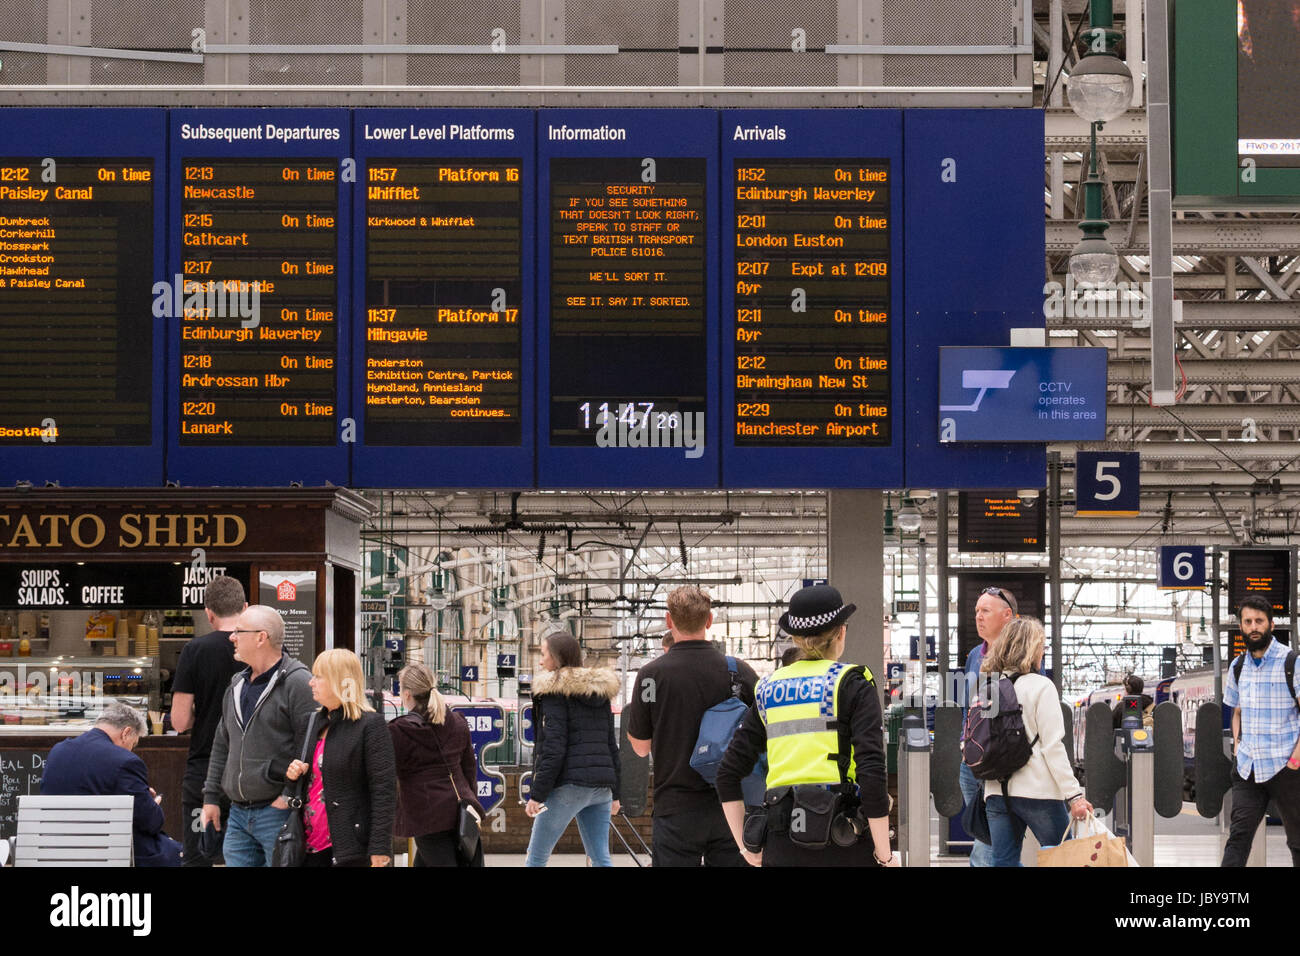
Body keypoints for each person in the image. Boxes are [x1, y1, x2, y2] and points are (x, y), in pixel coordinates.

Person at [717, 583, 896, 867]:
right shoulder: (852, 683)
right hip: (843, 842)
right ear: (841, 631)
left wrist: (746, 848)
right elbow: (871, 770)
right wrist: (884, 855)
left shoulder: (768, 689)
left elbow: (727, 774)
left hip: (781, 843)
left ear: (795, 636)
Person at [624, 585, 758, 866]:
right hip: (731, 806)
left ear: (669, 621)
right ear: (709, 620)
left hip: (675, 806)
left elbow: (639, 747)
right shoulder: (739, 672)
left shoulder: (650, 675)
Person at [199, 604, 316, 867]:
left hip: (276, 814)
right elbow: (221, 745)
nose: (232, 637)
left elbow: (310, 745)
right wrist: (211, 798)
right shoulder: (237, 685)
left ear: (261, 637)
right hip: (238, 814)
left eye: (239, 631)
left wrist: (287, 795)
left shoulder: (298, 682)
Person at [979, 617, 1093, 867]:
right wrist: (1074, 796)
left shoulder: (989, 687)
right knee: (1063, 859)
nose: (1043, 651)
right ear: (1032, 648)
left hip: (997, 792)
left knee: (1004, 863)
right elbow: (1053, 747)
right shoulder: (1042, 687)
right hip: (1038, 792)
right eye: (1042, 645)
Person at [284, 649, 395, 867]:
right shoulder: (310, 723)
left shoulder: (370, 725)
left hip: (350, 847)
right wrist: (293, 774)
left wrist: (380, 846)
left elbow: (384, 791)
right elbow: (300, 786)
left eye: (318, 677)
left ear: (339, 681)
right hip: (307, 845)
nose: (311, 683)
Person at [41, 701, 183, 867]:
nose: (131, 749)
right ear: (126, 732)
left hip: (55, 847)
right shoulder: (125, 761)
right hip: (106, 851)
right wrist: (152, 803)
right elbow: (150, 823)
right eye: (134, 743)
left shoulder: (58, 750)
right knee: (187, 854)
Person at [524, 628, 621, 867]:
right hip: (602, 788)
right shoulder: (600, 693)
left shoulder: (554, 692)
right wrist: (616, 793)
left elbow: (554, 748)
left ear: (557, 658)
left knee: (536, 857)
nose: (540, 660)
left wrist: (537, 794)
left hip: (569, 786)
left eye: (544, 654)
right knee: (600, 857)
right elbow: (611, 745)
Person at [170, 573, 246, 866]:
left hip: (203, 769)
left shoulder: (195, 650)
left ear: (208, 613)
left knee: (199, 857)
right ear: (246, 607)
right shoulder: (266, 649)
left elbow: (179, 721)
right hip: (249, 774)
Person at [1221, 596, 1300, 867]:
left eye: (1259, 621)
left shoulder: (1292, 663)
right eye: (1248, 621)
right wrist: (1237, 744)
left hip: (1287, 766)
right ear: (1241, 626)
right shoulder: (1238, 666)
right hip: (1248, 767)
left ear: (1271, 624)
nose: (1253, 626)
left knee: (1298, 841)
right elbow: (1237, 710)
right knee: (1238, 838)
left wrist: (1296, 760)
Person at [389, 662, 484, 867]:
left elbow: (384, 775)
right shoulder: (458, 722)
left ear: (406, 694)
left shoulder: (400, 731)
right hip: (461, 809)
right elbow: (469, 768)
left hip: (427, 815)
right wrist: (471, 801)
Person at [959, 585, 1017, 866]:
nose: (978, 617)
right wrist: (964, 742)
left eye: (985, 611)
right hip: (971, 763)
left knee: (993, 839)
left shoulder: (1023, 656)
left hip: (1001, 763)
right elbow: (968, 705)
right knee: (986, 835)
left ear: (1007, 615)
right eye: (976, 611)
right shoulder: (974, 655)